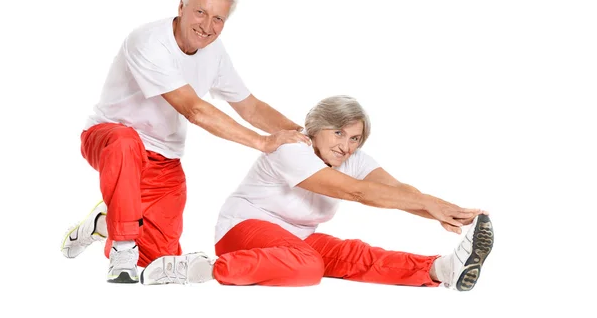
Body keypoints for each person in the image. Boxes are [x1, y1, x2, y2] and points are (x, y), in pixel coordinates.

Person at [60, 0, 310, 284]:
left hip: (164, 160)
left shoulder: (214, 53)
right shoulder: (148, 41)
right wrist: (262, 143)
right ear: (182, 7)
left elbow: (251, 106)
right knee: (126, 142)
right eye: (200, 12)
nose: (207, 26)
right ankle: (122, 249)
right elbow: (193, 109)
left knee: (160, 260)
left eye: (218, 19)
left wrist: (304, 135)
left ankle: (105, 223)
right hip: (109, 138)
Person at [140, 95, 494, 291]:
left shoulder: (353, 159)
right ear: (317, 128)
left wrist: (445, 210)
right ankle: (205, 267)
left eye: (354, 138)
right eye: (338, 133)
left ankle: (441, 269)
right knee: (308, 266)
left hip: (294, 238)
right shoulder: (292, 148)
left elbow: (397, 191)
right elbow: (357, 193)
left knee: (353, 254)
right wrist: (430, 206)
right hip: (242, 229)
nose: (346, 146)